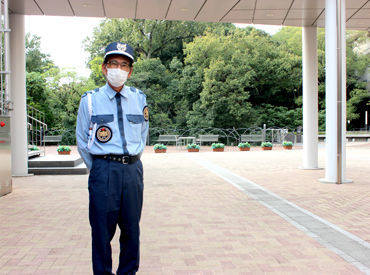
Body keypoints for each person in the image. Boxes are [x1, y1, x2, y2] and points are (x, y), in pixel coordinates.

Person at [76, 42, 149, 275]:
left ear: (130, 71)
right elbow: (82, 140)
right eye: (114, 63)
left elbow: (143, 133)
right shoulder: (89, 100)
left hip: (133, 171)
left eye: (124, 65)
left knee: (131, 231)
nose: (119, 69)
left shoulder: (139, 98)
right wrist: (99, 167)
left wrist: (132, 159)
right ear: (104, 68)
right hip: (104, 169)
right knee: (101, 232)